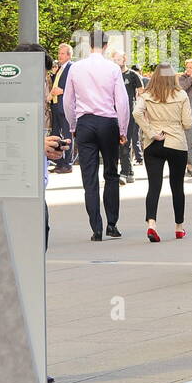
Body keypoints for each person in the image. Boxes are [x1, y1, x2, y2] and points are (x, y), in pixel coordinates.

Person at [63, 30, 129, 241]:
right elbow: (122, 101)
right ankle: (112, 223)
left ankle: (96, 228)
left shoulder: (76, 68)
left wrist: (73, 125)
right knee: (111, 173)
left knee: (89, 177)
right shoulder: (112, 68)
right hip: (107, 122)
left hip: (85, 122)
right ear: (107, 45)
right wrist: (123, 129)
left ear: (88, 44)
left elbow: (67, 100)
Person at [133, 64, 192, 242]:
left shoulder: (147, 95)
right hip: (176, 143)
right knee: (177, 186)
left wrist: (150, 131)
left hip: (153, 143)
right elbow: (188, 123)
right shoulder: (181, 95)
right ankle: (179, 227)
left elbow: (137, 113)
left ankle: (151, 224)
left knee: (154, 185)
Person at [117, 51, 145, 183]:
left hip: (129, 112)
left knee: (126, 142)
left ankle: (125, 172)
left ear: (125, 59)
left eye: (119, 59)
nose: (117, 61)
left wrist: (139, 109)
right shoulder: (113, 75)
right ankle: (128, 171)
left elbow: (142, 93)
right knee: (118, 143)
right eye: (115, 59)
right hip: (115, 112)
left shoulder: (133, 75)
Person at [50, 42, 76, 171]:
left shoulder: (72, 67)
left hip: (65, 106)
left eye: (62, 53)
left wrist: (63, 90)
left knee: (67, 135)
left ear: (69, 55)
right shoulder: (60, 68)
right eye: (58, 53)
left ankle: (68, 163)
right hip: (55, 105)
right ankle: (59, 162)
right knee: (56, 134)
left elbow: (76, 85)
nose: (59, 56)